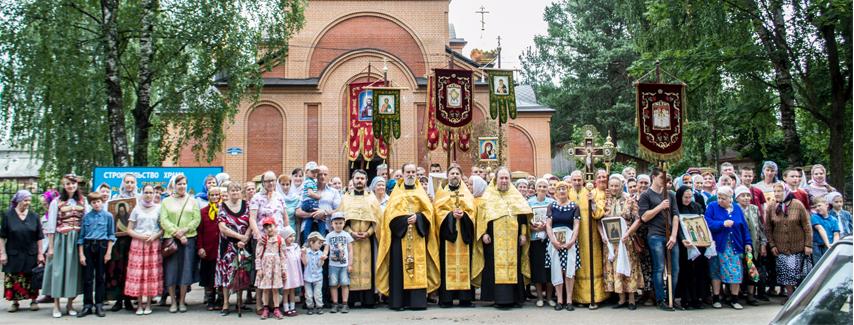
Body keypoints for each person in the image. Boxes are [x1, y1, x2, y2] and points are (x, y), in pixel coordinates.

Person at [376, 163, 439, 311]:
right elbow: (389, 216)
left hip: (418, 235)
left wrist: (418, 218)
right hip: (400, 237)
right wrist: (404, 220)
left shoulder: (421, 193)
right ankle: (399, 301)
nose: (410, 174)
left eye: (413, 172)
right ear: (403, 174)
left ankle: (417, 302)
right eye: (408, 172)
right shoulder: (396, 193)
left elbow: (429, 213)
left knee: (418, 267)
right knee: (399, 269)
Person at [473, 167, 532, 309]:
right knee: (493, 268)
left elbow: (523, 217)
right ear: (496, 179)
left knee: (514, 267)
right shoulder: (488, 196)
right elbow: (482, 217)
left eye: (507, 178)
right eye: (502, 178)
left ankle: (515, 298)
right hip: (493, 240)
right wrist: (484, 233)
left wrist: (523, 234)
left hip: (513, 240)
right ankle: (495, 298)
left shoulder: (516, 196)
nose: (504, 181)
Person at [636, 168, 680, 311]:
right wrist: (660, 206)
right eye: (662, 178)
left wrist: (673, 235)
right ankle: (660, 299)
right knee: (659, 268)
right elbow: (644, 217)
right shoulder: (646, 195)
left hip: (670, 235)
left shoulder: (671, 194)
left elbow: (675, 215)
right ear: (654, 177)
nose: (664, 181)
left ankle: (671, 298)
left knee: (675, 268)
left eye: (666, 179)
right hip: (655, 235)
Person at [433, 165, 477, 308]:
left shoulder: (467, 193)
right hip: (448, 235)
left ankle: (465, 299)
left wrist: (464, 215)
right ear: (448, 176)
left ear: (461, 176)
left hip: (464, 234)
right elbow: (438, 212)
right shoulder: (442, 193)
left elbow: (472, 212)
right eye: (452, 173)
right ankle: (446, 299)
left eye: (457, 173)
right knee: (447, 266)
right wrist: (450, 215)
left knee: (466, 264)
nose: (455, 176)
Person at [43, 174, 86, 318]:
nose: (71, 186)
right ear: (64, 185)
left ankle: (70, 304)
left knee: (72, 272)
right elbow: (51, 225)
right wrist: (51, 246)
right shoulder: (57, 202)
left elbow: (85, 221)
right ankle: (56, 305)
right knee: (58, 272)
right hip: (62, 239)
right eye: (68, 184)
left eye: (73, 184)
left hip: (77, 241)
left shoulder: (82, 201)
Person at [159, 174, 202, 313]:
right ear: (174, 185)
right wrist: (176, 232)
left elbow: (196, 219)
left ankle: (182, 301)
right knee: (171, 271)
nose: (182, 186)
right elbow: (163, 220)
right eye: (179, 184)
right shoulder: (166, 201)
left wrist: (185, 231)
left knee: (185, 270)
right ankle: (172, 301)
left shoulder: (192, 200)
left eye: (184, 184)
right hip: (171, 241)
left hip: (188, 240)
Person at [705, 186, 752, 310]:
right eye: (719, 197)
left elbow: (744, 227)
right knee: (716, 271)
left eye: (723, 198)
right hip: (718, 245)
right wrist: (722, 224)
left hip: (734, 245)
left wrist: (748, 243)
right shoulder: (712, 207)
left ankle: (734, 299)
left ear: (730, 198)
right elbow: (707, 223)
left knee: (736, 272)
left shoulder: (736, 208)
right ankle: (716, 298)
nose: (720, 200)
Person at [764, 182, 812, 301]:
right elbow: (768, 228)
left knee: (799, 274)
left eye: (779, 191)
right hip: (780, 247)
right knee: (786, 274)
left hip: (798, 246)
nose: (777, 194)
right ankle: (790, 297)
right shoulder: (771, 206)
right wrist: (772, 245)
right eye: (775, 191)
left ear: (786, 191)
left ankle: (800, 297)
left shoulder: (797, 205)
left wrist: (808, 245)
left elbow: (807, 226)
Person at [566, 170, 606, 308]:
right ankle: (578, 298)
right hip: (573, 236)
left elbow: (599, 213)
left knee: (592, 263)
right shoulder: (567, 194)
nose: (577, 182)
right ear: (571, 181)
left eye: (579, 180)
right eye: (574, 180)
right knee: (577, 265)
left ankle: (595, 296)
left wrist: (592, 202)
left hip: (591, 236)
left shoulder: (591, 193)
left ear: (583, 180)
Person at [341, 170, 381, 308]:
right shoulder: (346, 198)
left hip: (367, 240)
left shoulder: (372, 198)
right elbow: (341, 220)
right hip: (350, 239)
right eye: (357, 178)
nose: (359, 181)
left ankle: (368, 300)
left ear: (366, 180)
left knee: (367, 267)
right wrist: (350, 232)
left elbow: (377, 220)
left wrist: (369, 233)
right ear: (352, 179)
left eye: (362, 178)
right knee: (351, 267)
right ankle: (351, 299)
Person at [0, 190, 44, 312]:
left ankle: (33, 300)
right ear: (18, 200)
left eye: (29, 200)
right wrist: (2, 253)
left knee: (31, 277)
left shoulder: (34, 216)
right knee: (14, 277)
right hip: (13, 252)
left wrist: (40, 254)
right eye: (25, 200)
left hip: (31, 252)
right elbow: (2, 236)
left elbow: (39, 237)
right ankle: (15, 302)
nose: (28, 203)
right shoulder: (8, 215)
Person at [603, 176, 642, 311]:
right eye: (612, 186)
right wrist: (604, 236)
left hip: (626, 240)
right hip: (611, 242)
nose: (614, 188)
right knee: (615, 268)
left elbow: (638, 219)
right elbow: (601, 220)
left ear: (621, 186)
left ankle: (631, 298)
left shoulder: (629, 200)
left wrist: (628, 233)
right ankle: (621, 298)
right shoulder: (606, 201)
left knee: (628, 267)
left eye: (616, 186)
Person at [124, 184, 163, 315]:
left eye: (151, 192)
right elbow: (129, 229)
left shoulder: (159, 208)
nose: (148, 195)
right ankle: (139, 304)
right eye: (146, 192)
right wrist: (140, 236)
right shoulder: (136, 209)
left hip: (153, 244)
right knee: (139, 275)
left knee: (150, 274)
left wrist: (154, 236)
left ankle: (148, 304)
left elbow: (163, 228)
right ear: (142, 193)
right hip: (138, 245)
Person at [77, 192, 116, 318]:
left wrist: (108, 252)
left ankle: (99, 304)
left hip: (102, 246)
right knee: (88, 277)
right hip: (88, 246)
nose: (96, 204)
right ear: (90, 204)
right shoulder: (86, 217)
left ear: (102, 201)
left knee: (100, 276)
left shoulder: (108, 216)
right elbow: (81, 237)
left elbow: (111, 235)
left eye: (98, 201)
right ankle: (87, 304)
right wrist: (81, 254)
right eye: (93, 202)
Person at [216, 182, 252, 316]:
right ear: (228, 192)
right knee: (227, 274)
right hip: (228, 246)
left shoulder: (247, 205)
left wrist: (246, 237)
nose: (235, 192)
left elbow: (250, 222)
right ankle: (225, 303)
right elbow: (222, 227)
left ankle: (239, 302)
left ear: (241, 192)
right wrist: (239, 237)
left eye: (237, 190)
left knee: (240, 272)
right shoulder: (223, 206)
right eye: (232, 190)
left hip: (243, 245)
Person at [545, 181, 581, 311]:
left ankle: (569, 300)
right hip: (555, 243)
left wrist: (572, 241)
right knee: (557, 269)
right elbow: (548, 224)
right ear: (556, 191)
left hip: (569, 242)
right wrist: (553, 240)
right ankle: (560, 299)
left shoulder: (574, 206)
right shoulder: (551, 206)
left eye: (564, 188)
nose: (562, 191)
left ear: (568, 190)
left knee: (569, 271)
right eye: (559, 189)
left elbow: (576, 224)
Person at [673, 186, 709, 310]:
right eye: (685, 197)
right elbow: (676, 226)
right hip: (683, 244)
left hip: (698, 243)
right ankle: (685, 299)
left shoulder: (697, 206)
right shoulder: (676, 207)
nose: (688, 200)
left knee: (698, 271)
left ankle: (697, 298)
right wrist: (683, 239)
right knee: (685, 272)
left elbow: (702, 222)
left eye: (690, 197)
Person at [734, 185, 766, 306]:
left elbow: (760, 227)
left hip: (754, 244)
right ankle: (736, 294)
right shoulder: (734, 209)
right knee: (739, 270)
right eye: (743, 195)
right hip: (738, 244)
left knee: (752, 269)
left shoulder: (754, 208)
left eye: (748, 195)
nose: (746, 198)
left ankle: (751, 295)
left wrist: (763, 244)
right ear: (737, 198)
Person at [527, 179, 555, 307]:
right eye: (540, 186)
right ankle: (539, 297)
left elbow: (555, 220)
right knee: (537, 268)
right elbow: (526, 220)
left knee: (550, 270)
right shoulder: (529, 202)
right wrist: (533, 228)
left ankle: (549, 297)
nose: (542, 188)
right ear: (536, 188)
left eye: (545, 186)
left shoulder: (552, 202)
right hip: (535, 239)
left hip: (549, 239)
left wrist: (547, 227)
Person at [255, 217, 286, 320]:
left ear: (275, 226)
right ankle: (266, 308)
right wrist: (259, 269)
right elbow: (258, 255)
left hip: (276, 267)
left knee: (275, 289)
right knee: (265, 289)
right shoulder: (262, 240)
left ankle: (276, 308)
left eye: (270, 226)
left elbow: (283, 256)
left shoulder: (280, 240)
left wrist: (283, 269)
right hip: (265, 267)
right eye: (266, 227)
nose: (269, 229)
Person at [198, 186, 223, 310]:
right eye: (212, 195)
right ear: (208, 197)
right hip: (208, 249)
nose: (214, 197)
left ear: (220, 196)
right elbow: (200, 231)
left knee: (220, 275)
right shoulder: (203, 211)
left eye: (216, 195)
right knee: (209, 276)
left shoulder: (224, 209)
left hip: (221, 248)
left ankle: (221, 299)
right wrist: (200, 247)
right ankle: (210, 300)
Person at [324, 213, 354, 313]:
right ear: (331, 223)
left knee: (345, 284)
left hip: (344, 265)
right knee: (333, 284)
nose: (338, 225)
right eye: (336, 223)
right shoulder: (329, 235)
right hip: (333, 265)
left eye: (340, 223)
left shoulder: (346, 235)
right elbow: (326, 248)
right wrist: (324, 255)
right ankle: (335, 304)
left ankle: (345, 304)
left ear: (344, 223)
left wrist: (350, 264)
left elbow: (350, 250)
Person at [810, 197, 839, 264]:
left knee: (830, 264)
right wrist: (828, 244)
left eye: (819, 205)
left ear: (826, 205)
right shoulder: (814, 217)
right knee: (819, 265)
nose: (817, 208)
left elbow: (836, 233)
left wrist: (834, 244)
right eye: (815, 207)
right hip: (818, 246)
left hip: (830, 245)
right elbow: (820, 229)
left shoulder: (833, 219)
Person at [302, 232, 325, 315]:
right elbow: (305, 263)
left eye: (321, 243)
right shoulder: (306, 252)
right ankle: (310, 307)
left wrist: (322, 259)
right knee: (308, 294)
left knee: (318, 293)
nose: (320, 245)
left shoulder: (320, 253)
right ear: (311, 243)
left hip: (318, 277)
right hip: (308, 276)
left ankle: (319, 306)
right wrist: (303, 255)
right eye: (319, 243)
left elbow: (319, 265)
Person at [281, 226, 302, 316]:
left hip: (294, 272)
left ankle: (292, 308)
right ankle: (286, 308)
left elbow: (299, 256)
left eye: (293, 236)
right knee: (286, 291)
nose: (292, 238)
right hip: (287, 272)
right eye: (290, 236)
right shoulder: (283, 248)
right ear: (284, 238)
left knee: (293, 290)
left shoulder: (296, 247)